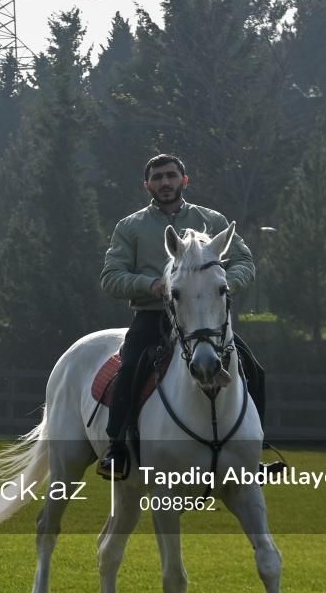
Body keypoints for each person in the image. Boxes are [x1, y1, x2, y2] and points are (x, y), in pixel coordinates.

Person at [97, 153, 267, 480]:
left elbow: (245, 262)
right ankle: (116, 448)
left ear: (184, 180)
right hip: (152, 316)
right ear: (147, 184)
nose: (165, 182)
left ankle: (254, 453)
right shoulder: (130, 228)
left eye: (171, 176)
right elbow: (111, 277)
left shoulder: (214, 220)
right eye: (157, 177)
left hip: (206, 318)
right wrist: (152, 285)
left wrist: (222, 283)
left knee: (255, 370)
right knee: (130, 367)